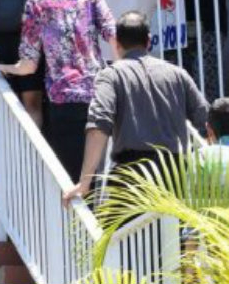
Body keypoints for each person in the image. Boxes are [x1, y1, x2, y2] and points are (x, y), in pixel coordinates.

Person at [0, 0, 116, 182]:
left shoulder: (36, 4)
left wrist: (4, 67)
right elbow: (113, 35)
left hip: (63, 100)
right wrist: (118, 73)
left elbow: (28, 65)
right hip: (97, 96)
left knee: (71, 178)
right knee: (97, 175)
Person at [62, 12, 209, 202]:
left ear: (117, 44)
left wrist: (85, 182)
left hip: (132, 177)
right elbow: (204, 117)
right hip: (174, 175)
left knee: (121, 232)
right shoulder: (178, 74)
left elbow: (98, 125)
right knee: (169, 232)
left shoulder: (111, 75)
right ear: (149, 41)